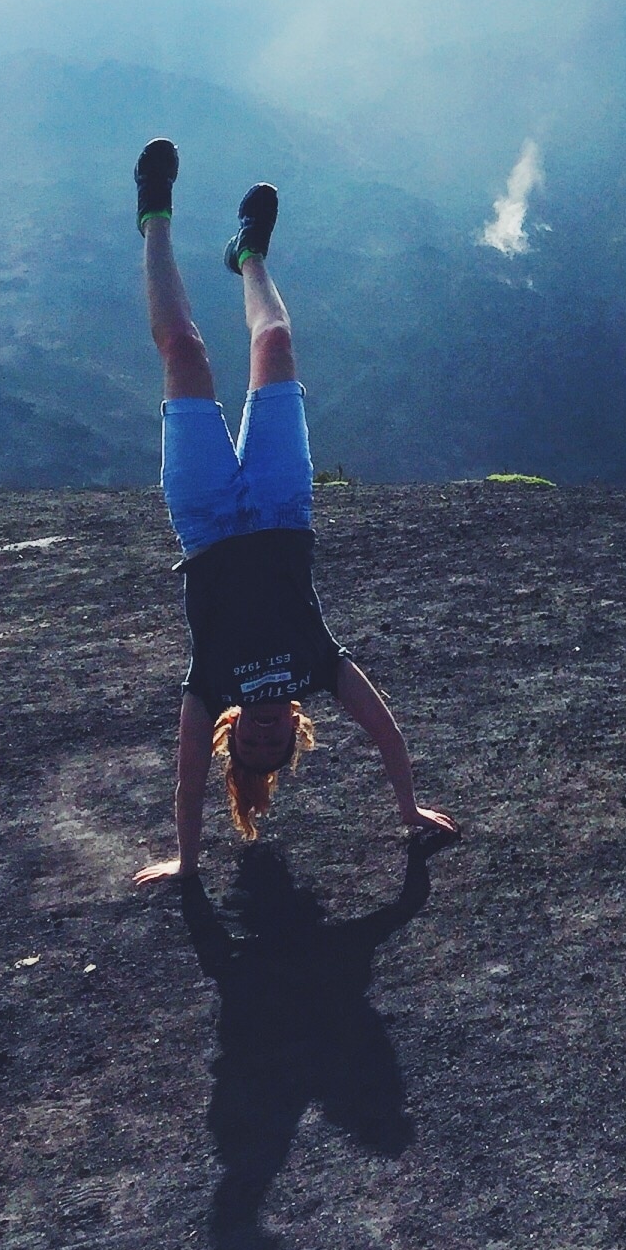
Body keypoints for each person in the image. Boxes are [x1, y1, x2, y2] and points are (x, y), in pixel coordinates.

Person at [129, 141, 457, 885]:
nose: (269, 732)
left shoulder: (209, 685)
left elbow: (186, 782)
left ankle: (153, 211)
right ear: (295, 733)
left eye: (254, 744)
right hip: (281, 510)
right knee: (274, 341)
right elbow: (385, 732)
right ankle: (248, 254)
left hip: (208, 520)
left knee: (184, 352)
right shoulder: (315, 665)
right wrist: (408, 813)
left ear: (235, 734)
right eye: (280, 741)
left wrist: (187, 859)